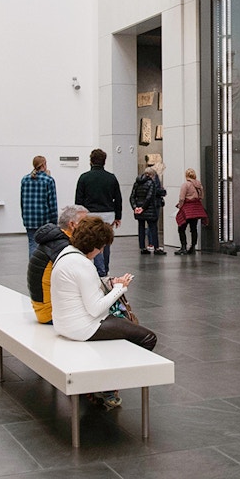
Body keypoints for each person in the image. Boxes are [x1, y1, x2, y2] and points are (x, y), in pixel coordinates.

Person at [51, 215, 157, 408]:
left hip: (64, 324)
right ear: (94, 245)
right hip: (83, 328)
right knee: (148, 338)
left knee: (125, 329)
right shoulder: (82, 264)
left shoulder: (66, 253)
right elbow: (95, 308)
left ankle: (105, 380)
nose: (101, 252)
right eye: (101, 248)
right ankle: (108, 383)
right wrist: (120, 288)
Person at [28, 204, 88, 324]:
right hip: (52, 313)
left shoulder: (56, 241)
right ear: (72, 224)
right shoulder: (64, 247)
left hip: (43, 309)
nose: (89, 227)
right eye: (85, 223)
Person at [75, 148, 122, 276]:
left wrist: (78, 217)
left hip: (89, 214)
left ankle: (94, 269)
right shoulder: (111, 178)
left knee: (90, 241)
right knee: (105, 243)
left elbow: (78, 200)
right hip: (108, 214)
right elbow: (118, 198)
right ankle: (104, 269)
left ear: (91, 161)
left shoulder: (84, 178)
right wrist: (118, 216)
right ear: (104, 161)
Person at [20, 155, 58, 258]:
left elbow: (22, 201)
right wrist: (54, 221)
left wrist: (24, 216)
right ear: (44, 164)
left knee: (32, 244)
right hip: (43, 218)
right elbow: (52, 203)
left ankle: (33, 269)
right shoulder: (48, 180)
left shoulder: (25, 180)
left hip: (29, 218)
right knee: (46, 245)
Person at [130, 168, 166, 255]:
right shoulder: (151, 183)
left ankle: (142, 247)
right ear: (151, 175)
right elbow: (149, 197)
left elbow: (132, 197)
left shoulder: (137, 183)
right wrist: (143, 207)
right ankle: (156, 247)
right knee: (153, 228)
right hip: (149, 209)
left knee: (141, 228)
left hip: (139, 210)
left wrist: (135, 207)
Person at [174, 167, 207, 254]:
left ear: (186, 175)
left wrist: (180, 206)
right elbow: (201, 197)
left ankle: (183, 247)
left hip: (187, 208)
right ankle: (193, 247)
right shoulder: (199, 185)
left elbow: (182, 198)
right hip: (196, 208)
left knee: (181, 228)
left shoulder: (186, 185)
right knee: (193, 228)